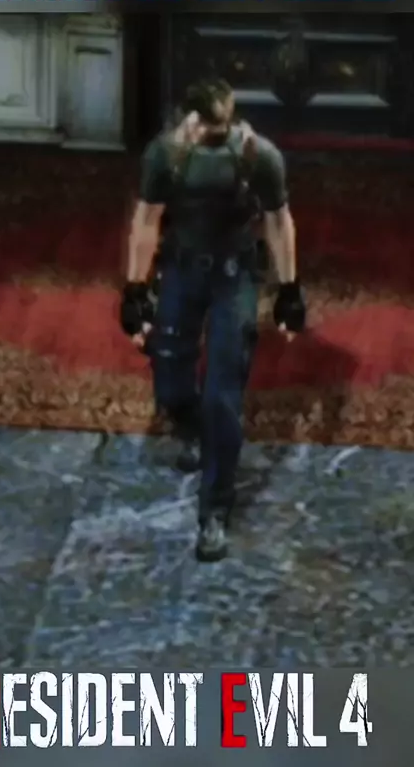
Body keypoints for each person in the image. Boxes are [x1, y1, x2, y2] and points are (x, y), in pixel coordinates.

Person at [120, 78, 306, 561]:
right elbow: (147, 219)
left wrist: (289, 289)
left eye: (218, 128)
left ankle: (215, 508)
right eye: (204, 126)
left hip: (233, 277)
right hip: (182, 271)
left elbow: (278, 219)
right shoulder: (166, 154)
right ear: (189, 119)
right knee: (170, 379)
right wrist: (135, 289)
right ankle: (193, 429)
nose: (210, 135)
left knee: (223, 396)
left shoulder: (258, 156)